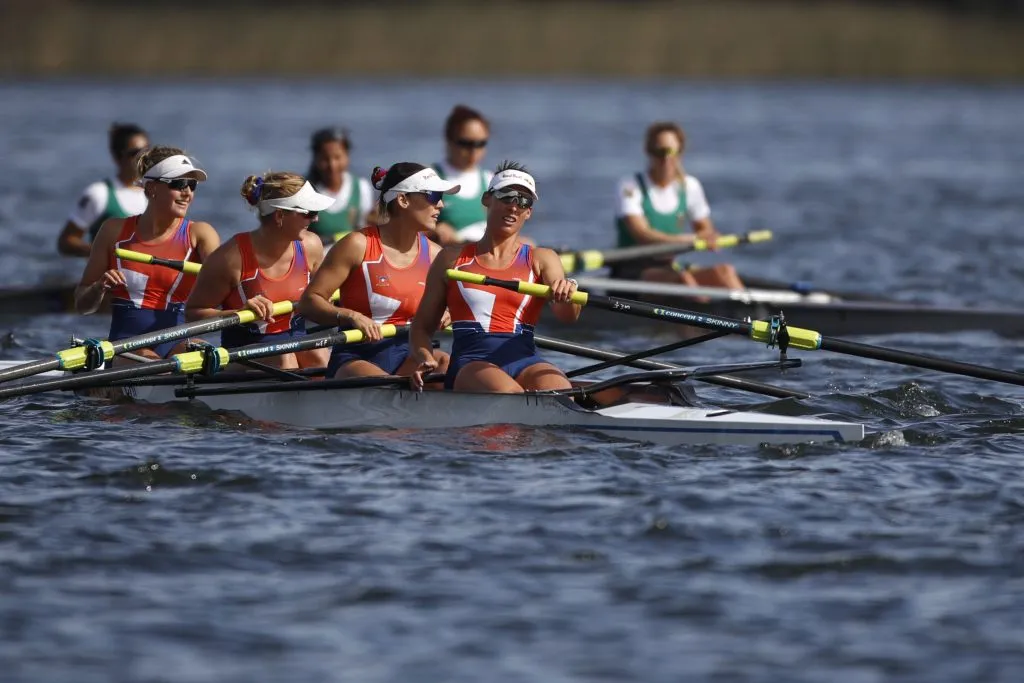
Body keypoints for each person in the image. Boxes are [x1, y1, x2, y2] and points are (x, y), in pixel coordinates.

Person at [409, 161, 580, 393]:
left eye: (523, 202)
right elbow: (421, 328)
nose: (514, 207)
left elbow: (567, 317)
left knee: (561, 393)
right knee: (511, 396)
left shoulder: (543, 259)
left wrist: (568, 294)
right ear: (487, 199)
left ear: (528, 212)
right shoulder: (451, 259)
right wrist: (425, 357)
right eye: (507, 196)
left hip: (526, 361)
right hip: (471, 364)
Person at [297, 163, 455, 381]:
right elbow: (309, 302)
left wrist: (448, 311)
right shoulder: (357, 245)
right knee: (384, 383)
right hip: (357, 358)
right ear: (403, 200)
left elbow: (457, 304)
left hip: (410, 354)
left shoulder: (436, 255)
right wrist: (351, 316)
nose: (441, 205)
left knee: (445, 362)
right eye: (433, 195)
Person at [75, 146, 220, 359]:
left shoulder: (200, 234)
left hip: (178, 342)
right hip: (127, 345)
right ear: (151, 188)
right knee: (153, 365)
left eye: (192, 185)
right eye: (178, 184)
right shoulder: (114, 232)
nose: (187, 192)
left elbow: (230, 288)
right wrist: (99, 288)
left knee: (209, 355)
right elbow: (82, 305)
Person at [185, 172, 333, 370]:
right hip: (244, 353)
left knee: (322, 356)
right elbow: (193, 314)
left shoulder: (311, 247)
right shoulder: (230, 258)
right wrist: (239, 313)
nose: (315, 219)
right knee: (284, 359)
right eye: (308, 213)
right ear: (280, 215)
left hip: (296, 343)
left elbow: (322, 303)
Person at [613, 121, 744, 289]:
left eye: (672, 152)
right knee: (684, 281)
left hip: (668, 268)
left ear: (680, 153)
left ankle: (750, 312)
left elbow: (705, 230)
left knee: (725, 272)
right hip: (631, 272)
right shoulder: (630, 185)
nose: (666, 159)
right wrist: (691, 239)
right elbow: (643, 235)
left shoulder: (690, 186)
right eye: (660, 152)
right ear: (648, 152)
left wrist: (710, 236)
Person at [59, 122, 150, 257]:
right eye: (135, 153)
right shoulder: (99, 194)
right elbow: (66, 242)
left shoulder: (158, 192)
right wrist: (102, 251)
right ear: (117, 157)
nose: (143, 158)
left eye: (147, 151)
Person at [431, 105, 494, 245]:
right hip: (445, 256)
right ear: (449, 140)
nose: (473, 151)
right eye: (465, 143)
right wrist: (434, 229)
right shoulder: (429, 178)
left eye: (480, 144)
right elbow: (384, 217)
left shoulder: (492, 181)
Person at [304, 127, 375, 245]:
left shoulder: (362, 187)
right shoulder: (305, 190)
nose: (332, 165)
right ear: (315, 159)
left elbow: (365, 228)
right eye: (325, 159)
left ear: (347, 157)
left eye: (337, 157)